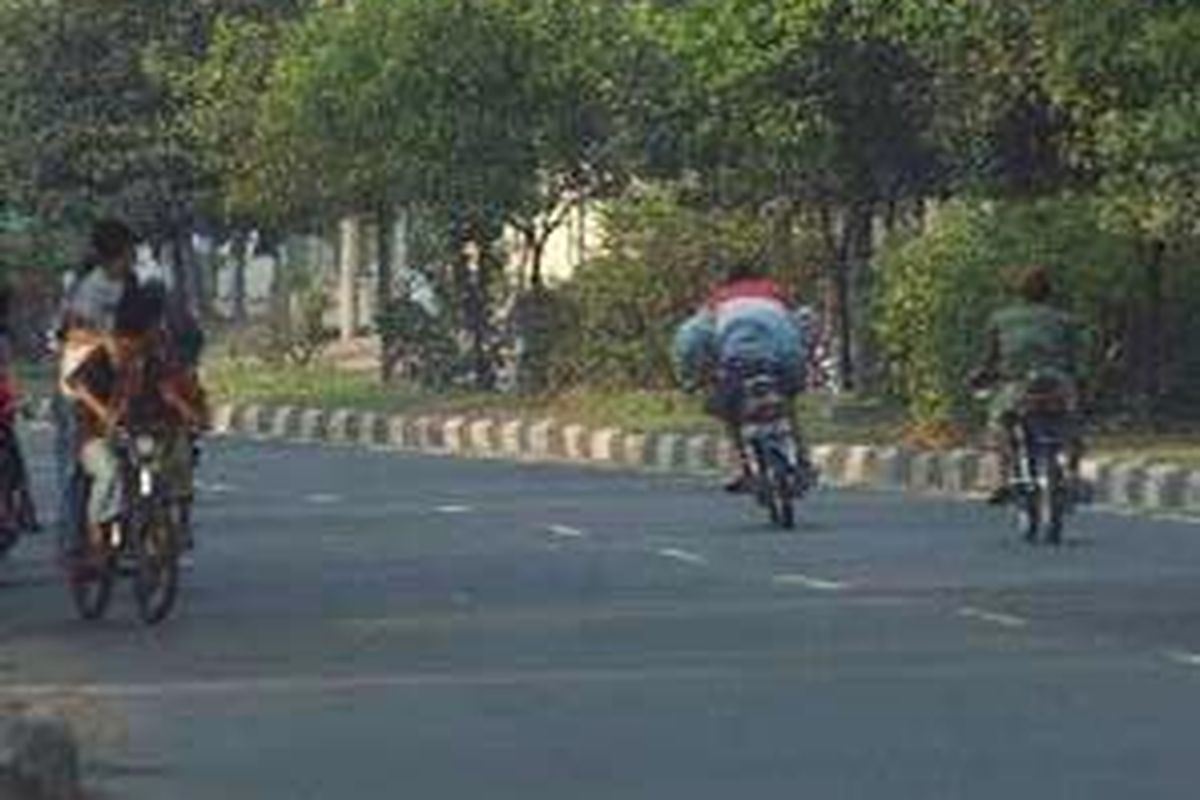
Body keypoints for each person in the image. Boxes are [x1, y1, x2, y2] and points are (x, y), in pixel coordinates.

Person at [674, 257, 815, 492]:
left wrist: (690, 377)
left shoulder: (719, 299)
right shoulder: (774, 292)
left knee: (730, 413)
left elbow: (691, 339)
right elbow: (800, 322)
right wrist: (806, 358)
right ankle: (804, 462)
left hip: (738, 361)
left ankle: (743, 468)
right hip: (781, 357)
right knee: (788, 405)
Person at [56, 218, 139, 565]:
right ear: (115, 254)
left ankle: (125, 539)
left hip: (118, 378)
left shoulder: (131, 285)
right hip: (80, 383)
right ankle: (74, 545)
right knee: (77, 470)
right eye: (129, 251)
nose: (134, 257)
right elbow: (66, 334)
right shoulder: (87, 288)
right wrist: (104, 340)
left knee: (130, 462)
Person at [971, 265, 1086, 505]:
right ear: (1049, 292)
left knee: (1000, 425)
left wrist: (981, 375)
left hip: (1017, 386)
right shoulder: (1064, 320)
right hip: (1057, 383)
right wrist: (1081, 381)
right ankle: (1073, 474)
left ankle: (1002, 479)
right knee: (1072, 424)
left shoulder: (1000, 319)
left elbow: (990, 358)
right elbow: (1076, 359)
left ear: (1018, 292)